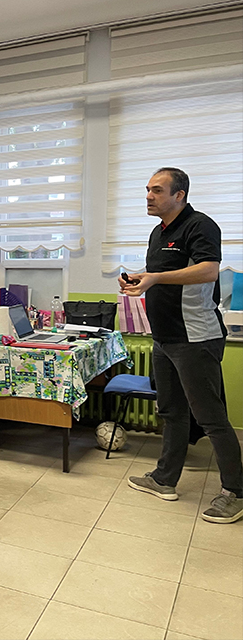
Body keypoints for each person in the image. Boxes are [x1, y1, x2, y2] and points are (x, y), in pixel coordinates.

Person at [121, 167, 243, 524]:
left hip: (196, 338)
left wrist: (155, 277)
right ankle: (164, 479)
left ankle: (235, 491)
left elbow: (208, 270)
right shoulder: (158, 233)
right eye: (147, 189)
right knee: (171, 412)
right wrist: (139, 279)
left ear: (180, 195)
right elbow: (159, 278)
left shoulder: (200, 225)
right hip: (165, 337)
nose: (148, 196)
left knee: (211, 419)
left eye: (157, 190)